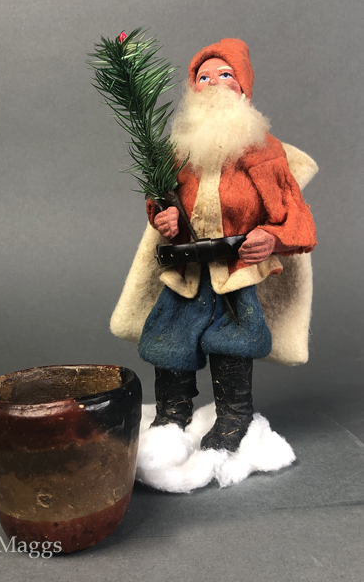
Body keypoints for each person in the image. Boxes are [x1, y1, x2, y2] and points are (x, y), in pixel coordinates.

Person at [111, 38, 317, 453]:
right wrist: (163, 217)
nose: (214, 84)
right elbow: (161, 198)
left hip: (235, 271)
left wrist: (271, 236)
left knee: (233, 340)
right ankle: (172, 413)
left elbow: (296, 218)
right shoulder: (180, 151)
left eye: (225, 74)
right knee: (169, 336)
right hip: (186, 270)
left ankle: (234, 415)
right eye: (203, 77)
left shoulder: (264, 152)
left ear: (243, 87)